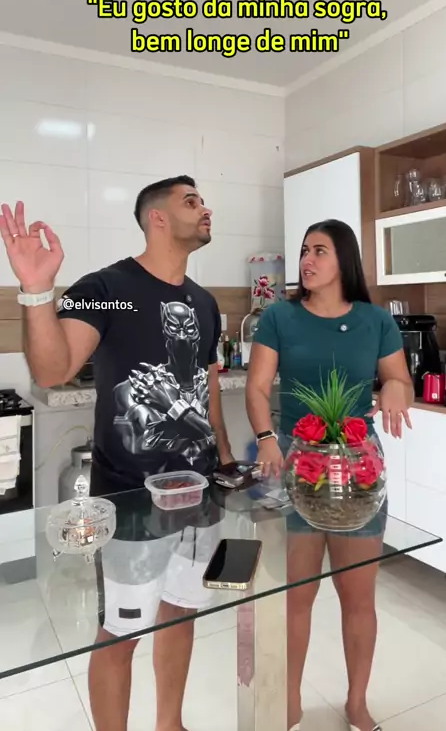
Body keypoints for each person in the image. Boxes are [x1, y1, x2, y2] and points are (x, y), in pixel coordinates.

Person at [0, 176, 235, 731]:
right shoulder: (109, 289)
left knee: (182, 612)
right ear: (157, 218)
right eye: (191, 201)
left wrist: (226, 465)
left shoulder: (204, 302)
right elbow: (54, 369)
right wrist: (36, 290)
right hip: (130, 502)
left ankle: (170, 724)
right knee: (121, 632)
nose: (205, 209)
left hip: (201, 496)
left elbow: (207, 394)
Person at [245, 219, 414, 731]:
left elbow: (398, 379)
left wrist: (395, 390)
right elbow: (258, 387)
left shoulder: (376, 321)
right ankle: (291, 702)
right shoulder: (280, 316)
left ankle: (357, 702)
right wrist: (267, 437)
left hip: (358, 465)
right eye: (304, 250)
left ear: (345, 260)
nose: (306, 260)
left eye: (319, 250)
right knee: (296, 597)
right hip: (296, 462)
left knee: (358, 597)